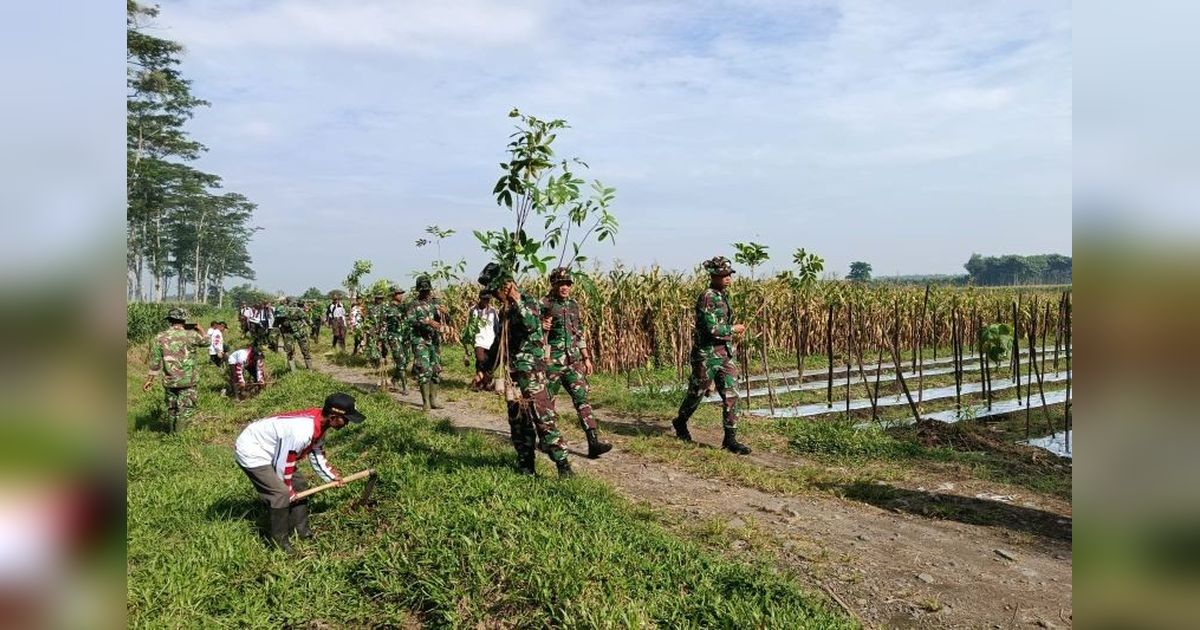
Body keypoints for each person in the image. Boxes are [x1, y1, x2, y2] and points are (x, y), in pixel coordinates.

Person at [233, 392, 365, 551]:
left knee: (299, 484)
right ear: (333, 417)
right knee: (280, 494)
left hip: (274, 449)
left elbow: (316, 452)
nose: (347, 424)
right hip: (252, 449)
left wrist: (331, 477)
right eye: (346, 420)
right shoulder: (302, 432)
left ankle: (301, 531)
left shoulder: (321, 423)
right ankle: (280, 544)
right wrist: (288, 491)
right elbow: (283, 464)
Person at [478, 263, 573, 477]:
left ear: (507, 285)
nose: (495, 296)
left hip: (532, 374)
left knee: (543, 418)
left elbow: (531, 325)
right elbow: (499, 343)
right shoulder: (504, 310)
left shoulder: (528, 302)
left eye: (496, 290)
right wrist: (485, 370)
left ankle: (563, 466)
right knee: (518, 421)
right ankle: (526, 466)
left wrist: (517, 300)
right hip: (513, 376)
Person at [671, 256, 751, 455]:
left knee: (732, 394)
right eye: (723, 275)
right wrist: (733, 329)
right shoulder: (707, 296)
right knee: (696, 393)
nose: (727, 278)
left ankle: (730, 439)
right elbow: (710, 328)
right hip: (707, 355)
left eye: (729, 274)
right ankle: (680, 421)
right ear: (713, 276)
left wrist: (731, 333)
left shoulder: (722, 295)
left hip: (725, 353)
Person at [541, 268, 612, 458]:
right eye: (561, 284)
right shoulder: (544, 304)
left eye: (568, 284)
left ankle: (593, 442)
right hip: (552, 361)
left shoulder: (573, 305)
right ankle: (547, 439)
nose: (565, 287)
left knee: (582, 400)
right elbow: (530, 330)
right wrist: (541, 325)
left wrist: (586, 357)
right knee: (547, 402)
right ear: (553, 284)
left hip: (573, 362)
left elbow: (578, 333)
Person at [142, 307, 209, 432]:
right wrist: (200, 329)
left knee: (172, 408)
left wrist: (149, 380)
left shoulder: (160, 337)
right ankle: (179, 436)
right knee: (186, 408)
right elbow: (207, 342)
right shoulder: (192, 335)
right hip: (188, 380)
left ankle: (172, 434)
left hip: (170, 380)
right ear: (185, 320)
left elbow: (155, 361)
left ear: (169, 320)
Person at [406, 275, 445, 410]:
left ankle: (433, 400)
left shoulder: (436, 303)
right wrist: (427, 322)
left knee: (436, 369)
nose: (426, 292)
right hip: (420, 340)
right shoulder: (413, 305)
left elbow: (446, 320)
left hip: (434, 340)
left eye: (427, 290)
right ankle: (425, 402)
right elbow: (411, 321)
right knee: (423, 369)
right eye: (423, 290)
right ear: (418, 290)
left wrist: (445, 313)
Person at [461, 290, 499, 391]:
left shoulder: (493, 311)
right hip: (479, 340)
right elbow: (469, 326)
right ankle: (483, 380)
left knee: (489, 363)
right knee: (481, 359)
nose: (486, 301)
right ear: (480, 299)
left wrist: (497, 339)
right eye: (484, 299)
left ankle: (481, 382)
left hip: (490, 340)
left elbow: (496, 326)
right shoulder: (473, 310)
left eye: (488, 299)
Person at [382, 286, 410, 394]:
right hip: (394, 337)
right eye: (399, 294)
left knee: (406, 360)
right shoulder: (387, 309)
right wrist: (382, 342)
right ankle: (404, 386)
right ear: (393, 295)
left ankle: (394, 380)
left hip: (404, 337)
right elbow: (383, 325)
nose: (401, 295)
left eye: (401, 293)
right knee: (401, 361)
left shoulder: (403, 307)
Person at [278, 297, 312, 371]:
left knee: (290, 352)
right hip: (300, 332)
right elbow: (307, 319)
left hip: (289, 334)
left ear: (287, 302)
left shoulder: (283, 310)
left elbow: (278, 322)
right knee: (305, 351)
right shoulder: (298, 310)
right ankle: (310, 369)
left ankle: (293, 371)